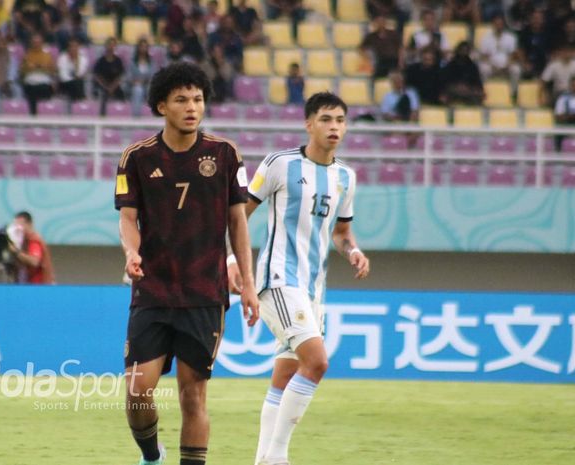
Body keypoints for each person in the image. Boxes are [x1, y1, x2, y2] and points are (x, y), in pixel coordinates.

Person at [114, 62, 259, 465]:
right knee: (138, 389)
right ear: (161, 106)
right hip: (153, 291)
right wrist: (131, 252)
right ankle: (151, 455)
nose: (192, 107)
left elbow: (238, 223)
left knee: (192, 395)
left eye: (197, 99)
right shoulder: (136, 158)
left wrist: (248, 283)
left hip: (204, 293)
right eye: (181, 99)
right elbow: (127, 218)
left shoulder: (225, 154)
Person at [228, 92, 370, 465]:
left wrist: (353, 251)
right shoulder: (279, 164)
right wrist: (231, 261)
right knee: (318, 362)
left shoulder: (345, 177)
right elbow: (237, 215)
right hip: (277, 279)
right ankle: (277, 457)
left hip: (312, 289)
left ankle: (262, 459)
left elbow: (341, 232)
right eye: (325, 119)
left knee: (287, 373)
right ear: (308, 124)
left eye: (340, 120)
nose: (334, 127)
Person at [10, 211, 56, 284]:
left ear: (29, 224)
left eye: (20, 225)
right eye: (16, 226)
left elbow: (34, 261)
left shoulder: (34, 241)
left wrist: (16, 252)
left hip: (41, 287)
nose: (18, 229)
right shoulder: (23, 242)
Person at [93, 37, 125, 115]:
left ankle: (120, 115)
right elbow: (97, 76)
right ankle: (103, 116)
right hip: (102, 86)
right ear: (106, 46)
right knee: (103, 94)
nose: (111, 46)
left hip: (114, 86)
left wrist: (112, 87)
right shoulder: (100, 61)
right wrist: (106, 87)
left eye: (113, 45)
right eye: (109, 44)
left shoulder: (118, 61)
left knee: (122, 95)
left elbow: (119, 76)